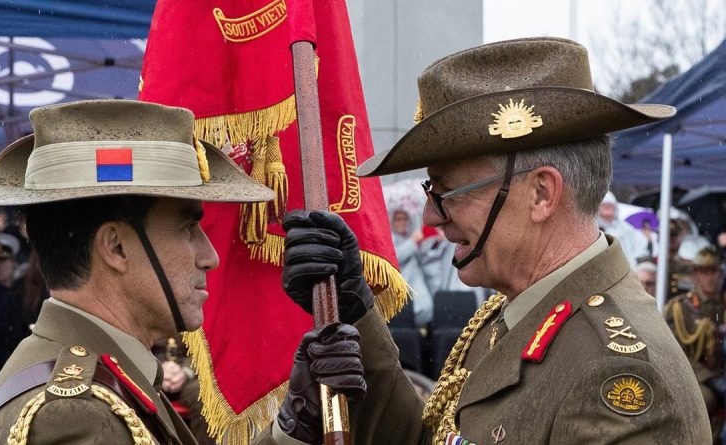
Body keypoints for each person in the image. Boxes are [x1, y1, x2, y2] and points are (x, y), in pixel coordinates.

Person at [270, 38, 711, 443]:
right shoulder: (518, 311)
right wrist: (354, 309)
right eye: (429, 193)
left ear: (541, 194)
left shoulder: (614, 375)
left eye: (446, 193)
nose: (431, 216)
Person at [0, 100, 364, 445]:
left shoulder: (100, 379)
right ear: (116, 247)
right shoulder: (75, 413)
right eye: (188, 229)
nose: (209, 257)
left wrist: (292, 425)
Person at [664, 246, 725, 441]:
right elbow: (676, 354)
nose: (709, 278)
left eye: (713, 271)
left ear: (721, 273)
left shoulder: (723, 306)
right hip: (696, 379)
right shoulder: (680, 309)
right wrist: (711, 379)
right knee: (699, 402)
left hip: (722, 374)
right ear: (694, 275)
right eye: (703, 272)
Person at [391, 207, 433, 327]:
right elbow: (394, 259)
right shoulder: (390, 238)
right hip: (401, 290)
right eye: (398, 219)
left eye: (405, 219)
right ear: (393, 222)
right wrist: (412, 242)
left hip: (417, 288)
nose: (402, 222)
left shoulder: (409, 237)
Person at [597, 192, 649, 267]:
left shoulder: (626, 228)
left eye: (610, 205)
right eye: (604, 205)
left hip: (627, 267)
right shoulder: (594, 229)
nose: (607, 208)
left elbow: (640, 246)